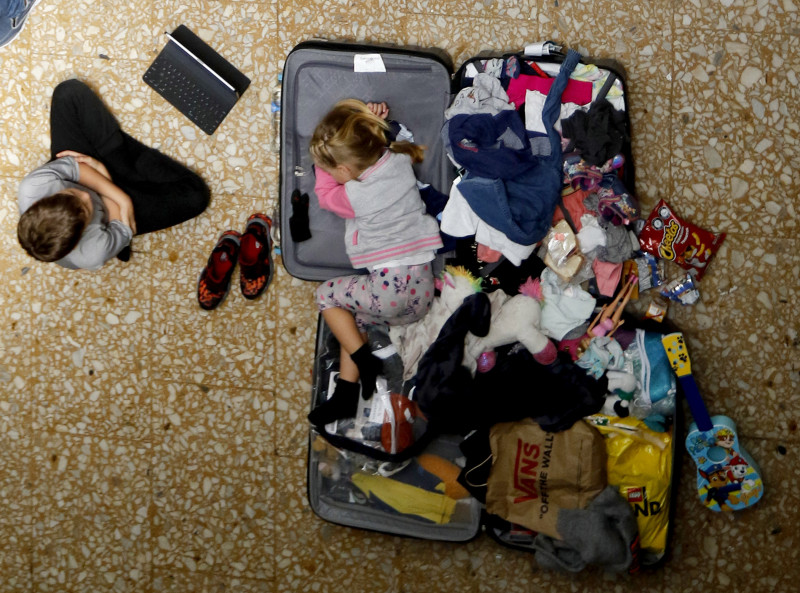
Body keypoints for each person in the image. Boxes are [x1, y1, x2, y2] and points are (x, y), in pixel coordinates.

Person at [307, 99, 442, 426]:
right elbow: (374, 143)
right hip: (420, 297)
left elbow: (325, 196)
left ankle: (362, 360)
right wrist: (372, 122)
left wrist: (323, 170)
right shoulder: (397, 159)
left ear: (343, 171)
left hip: (390, 293)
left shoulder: (353, 196)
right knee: (356, 320)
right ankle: (345, 396)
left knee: (325, 296)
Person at [17, 79, 210, 270]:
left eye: (72, 194)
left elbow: (81, 170)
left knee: (69, 93)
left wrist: (120, 197)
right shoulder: (92, 253)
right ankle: (124, 158)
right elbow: (113, 213)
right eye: (86, 210)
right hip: (109, 208)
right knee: (196, 196)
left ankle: (122, 159)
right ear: (78, 240)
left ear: (40, 201)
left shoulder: (32, 188)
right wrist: (110, 183)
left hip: (98, 182)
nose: (85, 196)